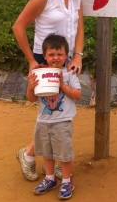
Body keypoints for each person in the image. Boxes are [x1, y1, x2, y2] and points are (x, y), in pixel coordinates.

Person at [12, 0, 84, 181]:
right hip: (45, 61)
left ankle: (40, 158)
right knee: (50, 112)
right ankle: (30, 155)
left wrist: (78, 56)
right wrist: (33, 61)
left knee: (61, 110)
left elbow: (80, 29)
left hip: (68, 60)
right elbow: (18, 27)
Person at [26, 34, 82, 199]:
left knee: (64, 153)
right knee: (47, 153)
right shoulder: (38, 73)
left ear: (66, 55)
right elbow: (31, 99)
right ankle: (50, 179)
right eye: (51, 54)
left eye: (60, 54)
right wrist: (30, 87)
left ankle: (66, 181)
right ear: (44, 56)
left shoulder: (70, 74)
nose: (55, 58)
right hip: (43, 121)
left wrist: (62, 85)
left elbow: (78, 94)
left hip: (62, 122)